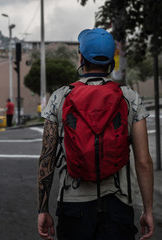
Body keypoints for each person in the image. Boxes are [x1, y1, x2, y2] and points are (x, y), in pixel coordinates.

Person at [37, 28, 154, 240]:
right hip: (118, 207)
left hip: (73, 206)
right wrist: (148, 210)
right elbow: (144, 162)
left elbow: (47, 159)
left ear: (81, 57)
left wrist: (43, 209)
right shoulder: (130, 98)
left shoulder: (60, 97)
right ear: (111, 61)